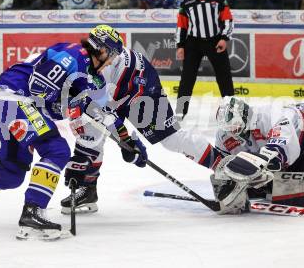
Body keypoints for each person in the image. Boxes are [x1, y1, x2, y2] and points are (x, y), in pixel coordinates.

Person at [0, 38, 128, 240]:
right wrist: (73, 103)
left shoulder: (87, 69)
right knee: (57, 150)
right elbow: (39, 89)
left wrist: (128, 141)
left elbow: (97, 108)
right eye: (113, 55)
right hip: (15, 99)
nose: (112, 61)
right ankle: (33, 212)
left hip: (7, 102)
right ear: (102, 50)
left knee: (11, 173)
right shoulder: (72, 57)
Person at [59, 25, 224, 214]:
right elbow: (98, 107)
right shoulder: (87, 60)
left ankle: (221, 164)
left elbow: (107, 113)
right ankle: (88, 190)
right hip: (111, 93)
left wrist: (128, 143)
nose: (113, 57)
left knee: (171, 139)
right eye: (111, 53)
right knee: (91, 132)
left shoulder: (114, 67)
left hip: (141, 87)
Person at [211, 96, 304, 214]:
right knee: (262, 185)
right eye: (230, 128)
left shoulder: (271, 114)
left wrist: (263, 164)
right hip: (292, 152)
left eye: (237, 126)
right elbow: (226, 165)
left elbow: (279, 148)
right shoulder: (224, 134)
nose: (234, 131)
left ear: (245, 114)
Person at [175, 0, 234, 120]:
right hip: (193, 43)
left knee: (224, 77)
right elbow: (181, 25)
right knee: (187, 78)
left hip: (215, 41)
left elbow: (227, 19)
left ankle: (233, 111)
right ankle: (180, 111)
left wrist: (224, 38)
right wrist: (180, 46)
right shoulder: (186, 2)